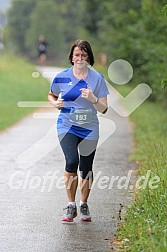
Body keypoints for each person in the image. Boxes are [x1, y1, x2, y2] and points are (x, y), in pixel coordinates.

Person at [48, 39, 109, 222]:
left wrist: (93, 98)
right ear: (72, 57)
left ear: (88, 57)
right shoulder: (62, 77)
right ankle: (71, 205)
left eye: (83, 55)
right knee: (71, 161)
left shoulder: (97, 79)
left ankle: (83, 203)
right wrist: (55, 103)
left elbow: (104, 108)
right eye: (77, 55)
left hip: (89, 129)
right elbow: (51, 94)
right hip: (67, 126)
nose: (80, 58)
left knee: (86, 168)